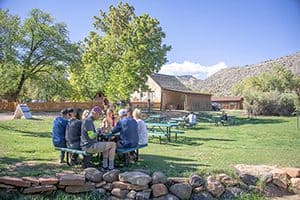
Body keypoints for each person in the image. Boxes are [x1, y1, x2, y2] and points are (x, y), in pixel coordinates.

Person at [81, 106, 116, 171]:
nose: (99, 117)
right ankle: (111, 167)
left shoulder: (89, 120)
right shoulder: (88, 121)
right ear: (94, 113)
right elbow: (91, 136)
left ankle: (105, 166)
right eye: (99, 115)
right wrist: (99, 131)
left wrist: (99, 130)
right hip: (89, 146)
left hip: (88, 145)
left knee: (106, 145)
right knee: (113, 144)